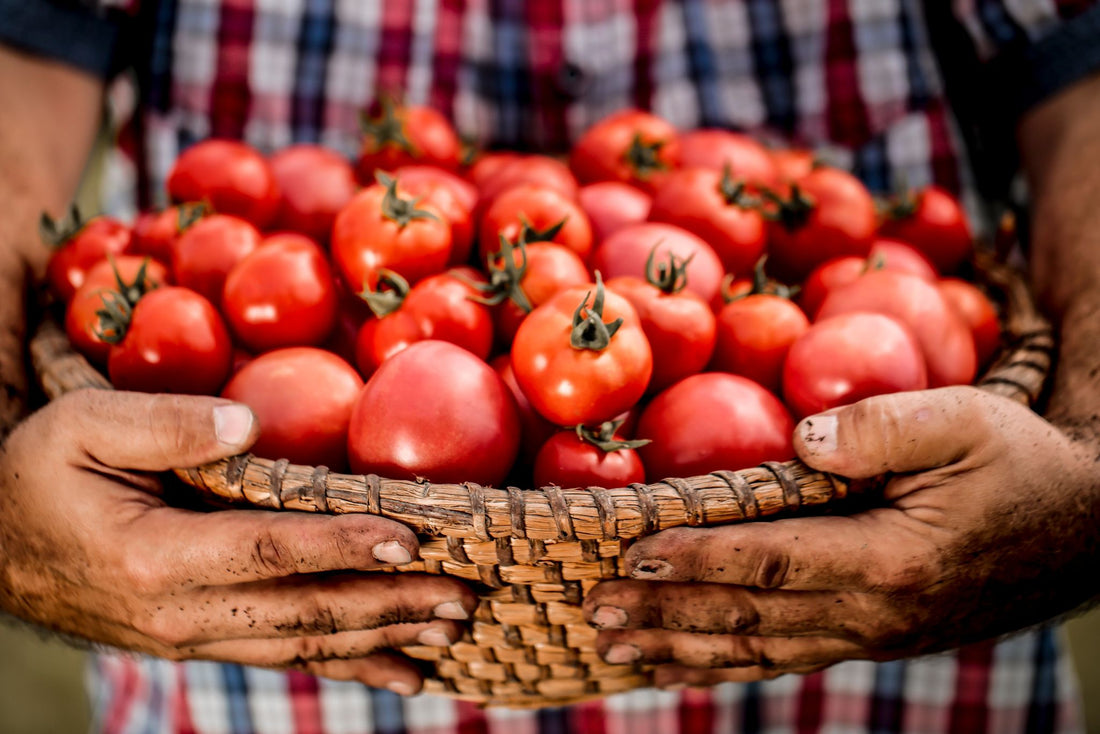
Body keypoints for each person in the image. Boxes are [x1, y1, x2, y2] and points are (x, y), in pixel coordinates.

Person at [0, 1, 1097, 732]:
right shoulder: (526, 307)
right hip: (252, 681)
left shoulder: (586, 302)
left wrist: (1089, 474)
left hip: (898, 684)